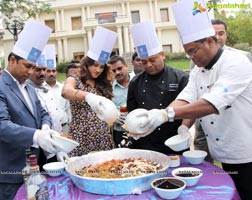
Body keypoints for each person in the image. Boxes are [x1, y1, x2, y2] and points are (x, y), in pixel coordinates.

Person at [128, 1, 252, 198]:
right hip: (221, 150)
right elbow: (186, 98)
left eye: (193, 50)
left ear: (210, 42)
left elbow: (210, 104)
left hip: (245, 150)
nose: (191, 57)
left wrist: (165, 113)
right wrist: (157, 119)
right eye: (188, 52)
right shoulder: (197, 70)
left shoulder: (235, 62)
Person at [0, 19, 65, 200]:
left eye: (33, 67)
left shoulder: (29, 88)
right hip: (11, 169)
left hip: (36, 167)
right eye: (27, 66)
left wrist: (46, 128)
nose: (31, 71)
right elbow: (0, 126)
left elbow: (43, 113)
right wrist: (36, 136)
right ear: (12, 60)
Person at [191, 19, 252, 162]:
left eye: (221, 33)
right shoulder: (198, 62)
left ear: (226, 35)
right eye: (214, 33)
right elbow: (193, 91)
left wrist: (165, 115)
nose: (218, 37)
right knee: (207, 163)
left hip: (234, 122)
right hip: (204, 119)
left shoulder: (240, 58)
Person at [127, 21, 189, 154]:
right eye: (144, 62)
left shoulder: (181, 78)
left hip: (174, 140)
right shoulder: (135, 82)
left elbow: (189, 106)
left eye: (152, 60)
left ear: (162, 55)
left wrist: (184, 130)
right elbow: (132, 112)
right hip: (145, 142)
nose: (148, 65)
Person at [62, 26, 118, 157]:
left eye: (101, 67)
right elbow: (65, 92)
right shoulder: (75, 79)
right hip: (80, 136)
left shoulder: (103, 84)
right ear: (87, 64)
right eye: (95, 65)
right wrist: (87, 96)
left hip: (102, 136)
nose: (98, 70)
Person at [108, 55, 133, 147]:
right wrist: (114, 118)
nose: (117, 72)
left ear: (126, 66)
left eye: (119, 68)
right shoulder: (109, 89)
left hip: (138, 130)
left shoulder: (138, 83)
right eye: (114, 71)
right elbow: (106, 112)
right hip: (119, 131)